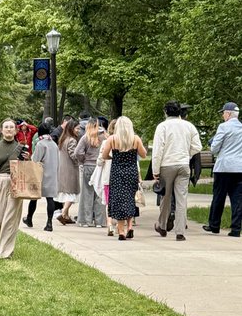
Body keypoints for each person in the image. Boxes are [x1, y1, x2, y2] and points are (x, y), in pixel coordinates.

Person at [152, 100, 202, 241]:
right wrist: (187, 154)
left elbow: (157, 150)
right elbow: (197, 146)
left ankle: (162, 226)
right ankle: (180, 231)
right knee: (182, 199)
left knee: (165, 198)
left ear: (166, 111)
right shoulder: (189, 126)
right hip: (183, 164)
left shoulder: (162, 127)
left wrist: (155, 170)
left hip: (167, 165)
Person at [98, 116, 147, 240]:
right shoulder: (135, 139)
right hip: (131, 172)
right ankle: (130, 226)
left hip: (117, 172)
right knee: (130, 198)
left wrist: (113, 158)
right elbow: (143, 154)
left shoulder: (112, 139)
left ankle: (121, 231)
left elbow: (104, 155)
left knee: (119, 200)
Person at [0, 119, 27, 259]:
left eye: (11, 127)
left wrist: (27, 159)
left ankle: (5, 252)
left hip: (16, 183)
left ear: (15, 131)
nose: (8, 129)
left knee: (10, 219)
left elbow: (26, 168)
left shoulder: (21, 147)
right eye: (6, 127)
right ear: (1, 130)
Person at [204, 102, 242, 237]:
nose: (222, 115)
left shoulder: (223, 127)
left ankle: (214, 225)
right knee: (237, 199)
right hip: (239, 168)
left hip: (224, 167)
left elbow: (214, 148)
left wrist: (213, 146)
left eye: (223, 113)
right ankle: (236, 229)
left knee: (219, 196)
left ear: (228, 114)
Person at [26, 122, 61, 230]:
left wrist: (29, 156)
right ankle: (49, 223)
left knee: (34, 198)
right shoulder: (54, 144)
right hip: (52, 174)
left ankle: (29, 219)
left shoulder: (41, 144)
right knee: (50, 199)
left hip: (41, 175)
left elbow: (35, 160)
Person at [74, 119, 107, 228]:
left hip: (88, 166)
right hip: (100, 166)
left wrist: (82, 160)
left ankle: (85, 221)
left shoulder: (85, 138)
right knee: (99, 194)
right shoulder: (104, 137)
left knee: (86, 194)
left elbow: (77, 152)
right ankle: (100, 221)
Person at [56, 119, 81, 224]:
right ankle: (63, 213)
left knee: (66, 193)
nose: (79, 130)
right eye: (77, 128)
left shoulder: (63, 139)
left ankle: (66, 216)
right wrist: (81, 158)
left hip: (62, 169)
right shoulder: (72, 140)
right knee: (71, 193)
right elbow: (73, 155)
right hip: (70, 170)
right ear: (71, 128)